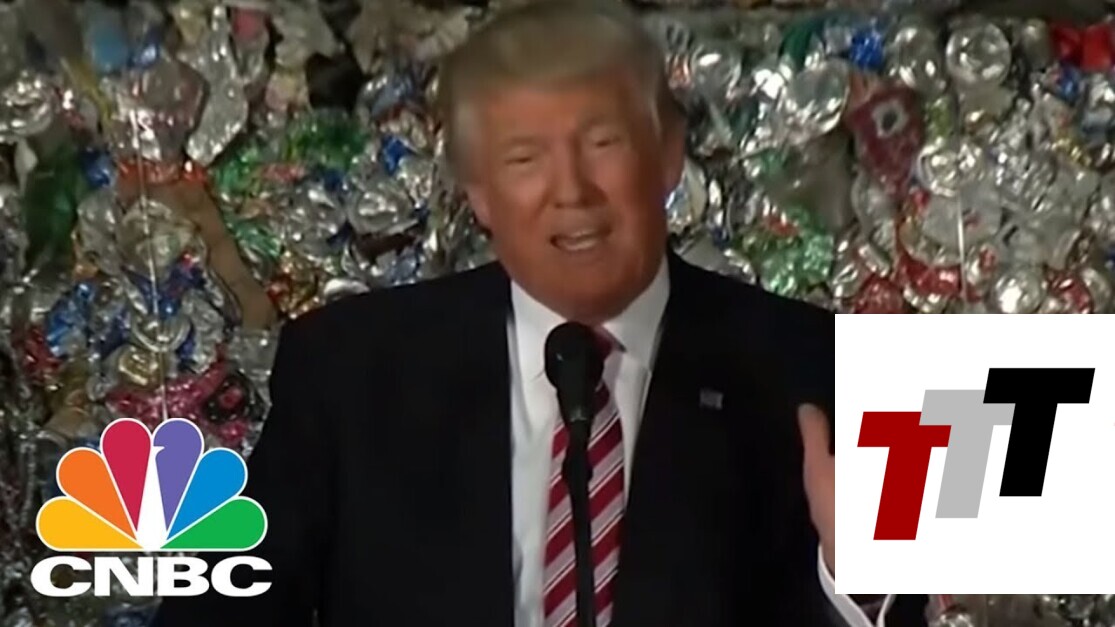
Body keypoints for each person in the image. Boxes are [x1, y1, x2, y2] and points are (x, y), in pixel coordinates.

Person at [154, 2, 918, 625]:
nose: (572, 191)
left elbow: (939, 614)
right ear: (479, 194)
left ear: (667, 156)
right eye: (524, 159)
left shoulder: (838, 371)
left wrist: (863, 583)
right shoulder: (348, 368)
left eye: (603, 143)